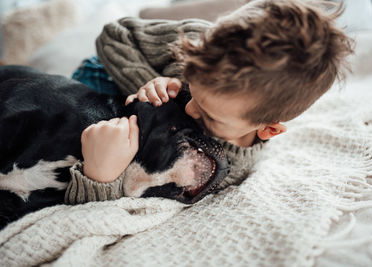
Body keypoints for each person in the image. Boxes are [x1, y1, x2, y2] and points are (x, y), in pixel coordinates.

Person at [65, 0, 353, 204]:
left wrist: (99, 177)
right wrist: (153, 86)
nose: (190, 108)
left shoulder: (219, 169)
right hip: (101, 78)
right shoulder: (202, 45)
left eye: (209, 116)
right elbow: (114, 36)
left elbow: (135, 191)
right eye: (193, 85)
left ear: (269, 130)